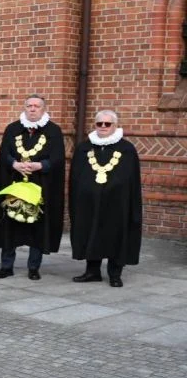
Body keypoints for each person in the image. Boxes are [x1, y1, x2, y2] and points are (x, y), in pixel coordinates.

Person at [0, 95, 65, 281]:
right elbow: (4, 154)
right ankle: (6, 266)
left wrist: (40, 165)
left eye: (37, 106)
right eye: (29, 106)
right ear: (24, 108)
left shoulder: (54, 131)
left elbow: (57, 157)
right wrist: (15, 164)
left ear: (43, 109)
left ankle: (33, 267)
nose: (32, 109)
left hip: (41, 184)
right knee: (10, 224)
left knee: (37, 226)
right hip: (14, 182)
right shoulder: (12, 129)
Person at [69, 110, 142, 287]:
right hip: (89, 203)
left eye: (107, 124)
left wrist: (113, 188)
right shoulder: (84, 148)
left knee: (116, 235)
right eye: (99, 123)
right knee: (91, 232)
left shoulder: (126, 149)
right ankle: (92, 271)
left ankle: (115, 274)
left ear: (115, 126)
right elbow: (76, 176)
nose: (103, 126)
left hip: (117, 203)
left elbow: (130, 178)